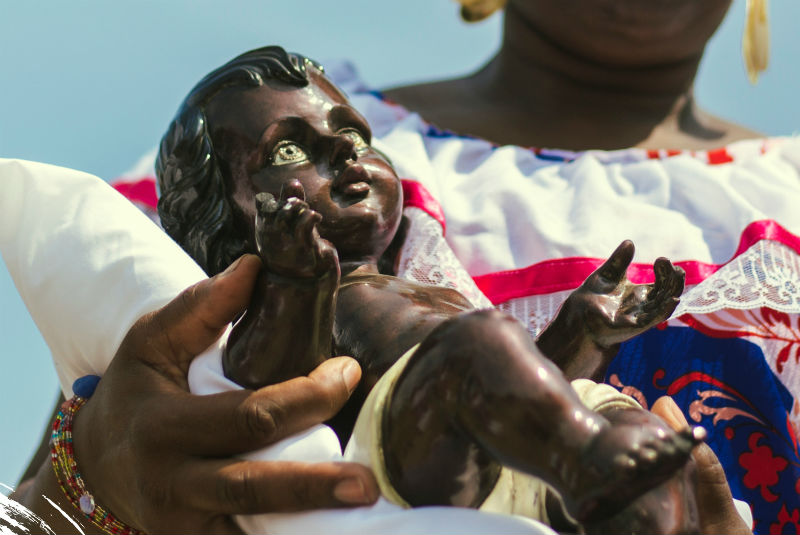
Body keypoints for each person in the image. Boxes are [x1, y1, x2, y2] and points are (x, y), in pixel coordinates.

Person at [156, 45, 701, 532]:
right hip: (409, 457)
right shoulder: (293, 303)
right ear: (225, 223)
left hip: (524, 463)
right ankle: (592, 467)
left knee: (640, 433)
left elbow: (522, 396)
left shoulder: (421, 290)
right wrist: (294, 281)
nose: (344, 151)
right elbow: (263, 384)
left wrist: (582, 332)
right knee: (479, 343)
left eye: (354, 134)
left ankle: (625, 499)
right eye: (288, 152)